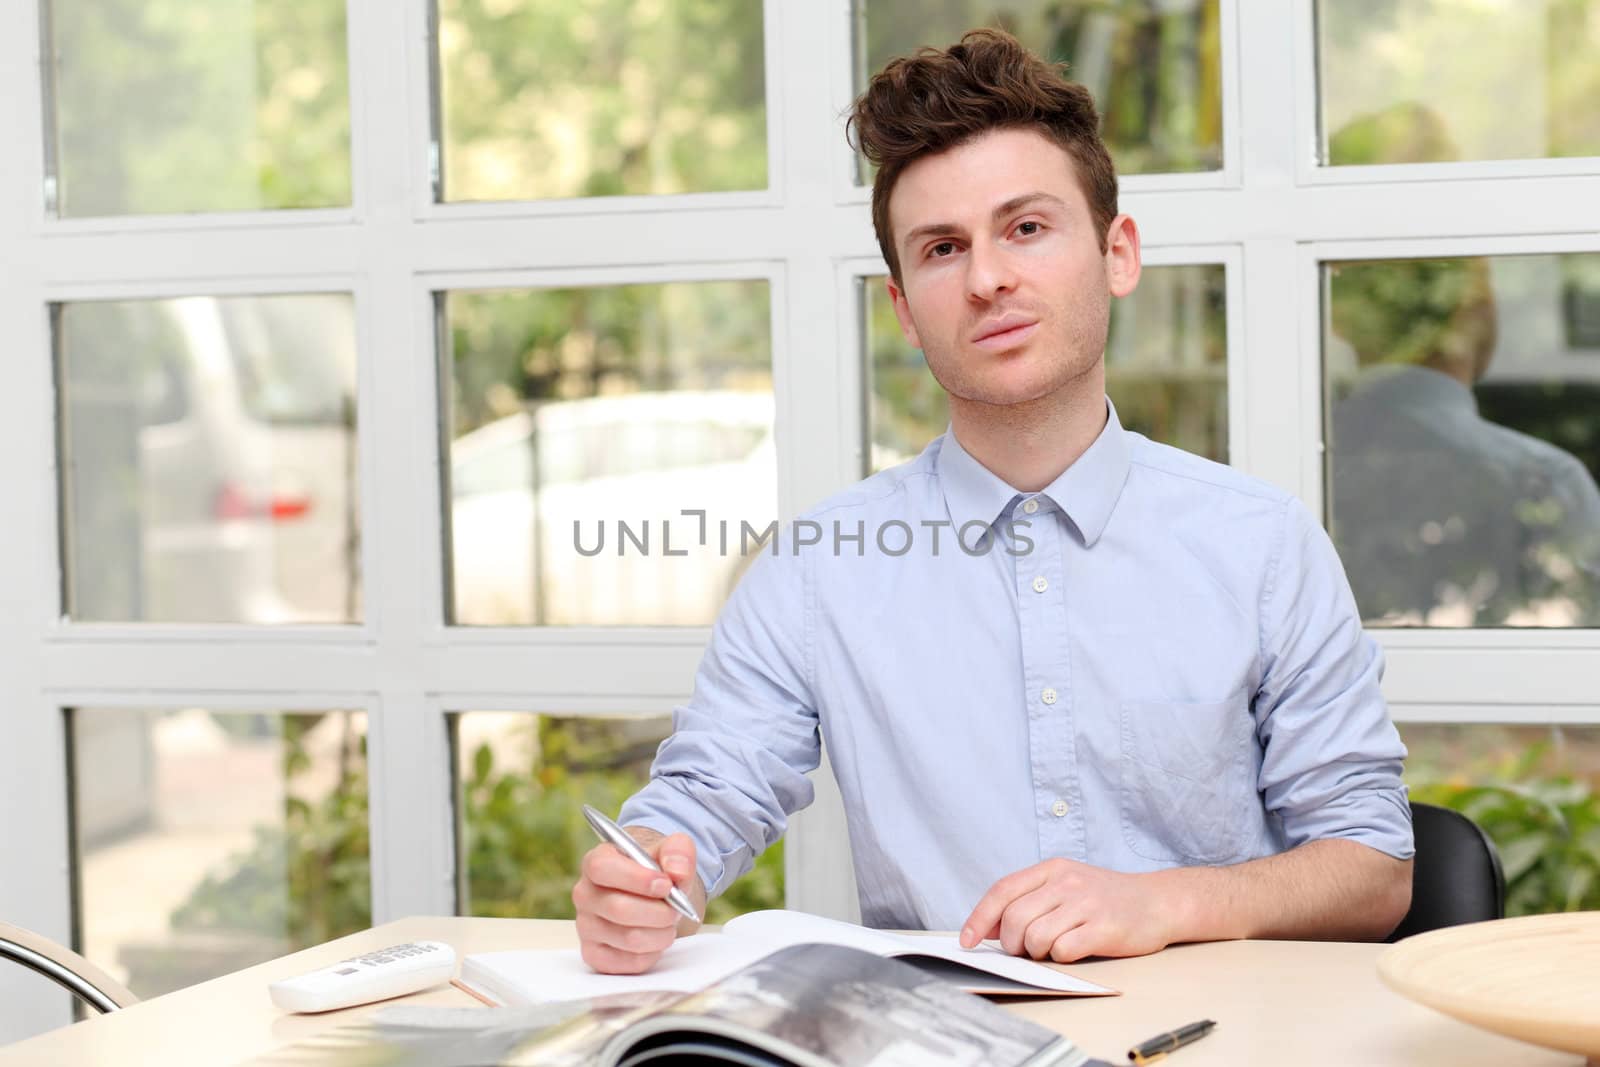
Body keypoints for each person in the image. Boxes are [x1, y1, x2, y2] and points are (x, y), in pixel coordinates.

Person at [572, 29, 1414, 976]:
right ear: (902, 305)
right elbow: (703, 798)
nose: (987, 279)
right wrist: (641, 880)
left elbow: (1372, 868)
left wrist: (1163, 900)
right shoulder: (817, 566)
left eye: (1025, 227)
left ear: (1117, 252)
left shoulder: (1262, 544)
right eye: (942, 248)